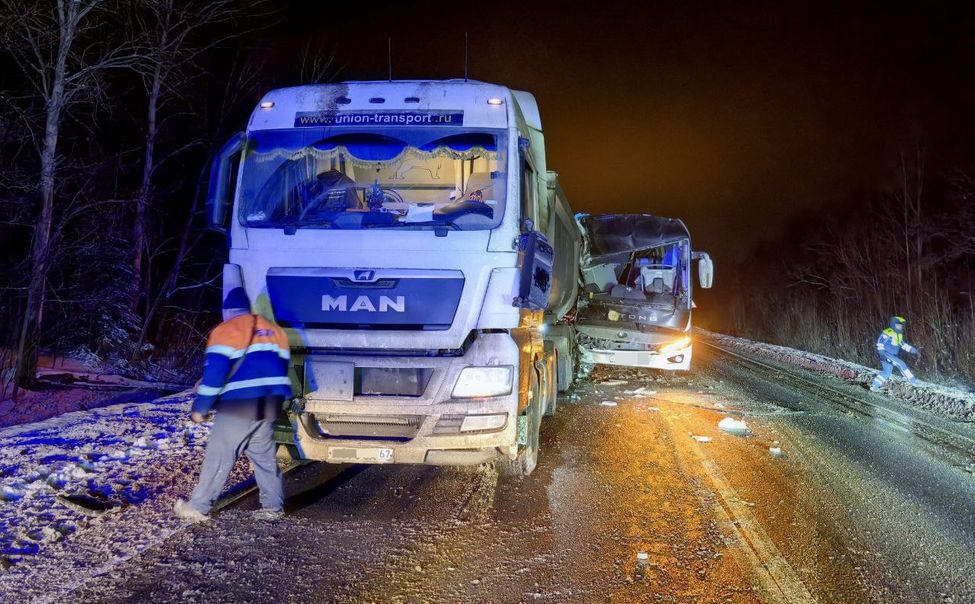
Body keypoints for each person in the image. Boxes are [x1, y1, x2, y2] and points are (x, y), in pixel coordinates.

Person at [174, 287, 293, 522]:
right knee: (264, 459)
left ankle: (199, 507)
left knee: (220, 456)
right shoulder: (274, 330)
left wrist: (201, 408)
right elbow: (281, 367)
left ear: (227, 311)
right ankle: (273, 508)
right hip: (269, 405)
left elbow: (215, 374)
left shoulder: (226, 330)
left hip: (238, 407)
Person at [869, 316, 919, 392]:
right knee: (901, 364)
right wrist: (881, 352)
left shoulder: (899, 335)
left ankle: (874, 386)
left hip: (891, 355)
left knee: (887, 372)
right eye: (898, 325)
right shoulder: (888, 332)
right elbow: (880, 342)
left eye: (901, 326)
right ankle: (912, 381)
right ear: (893, 325)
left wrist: (914, 350)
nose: (900, 327)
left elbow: (903, 345)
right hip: (886, 354)